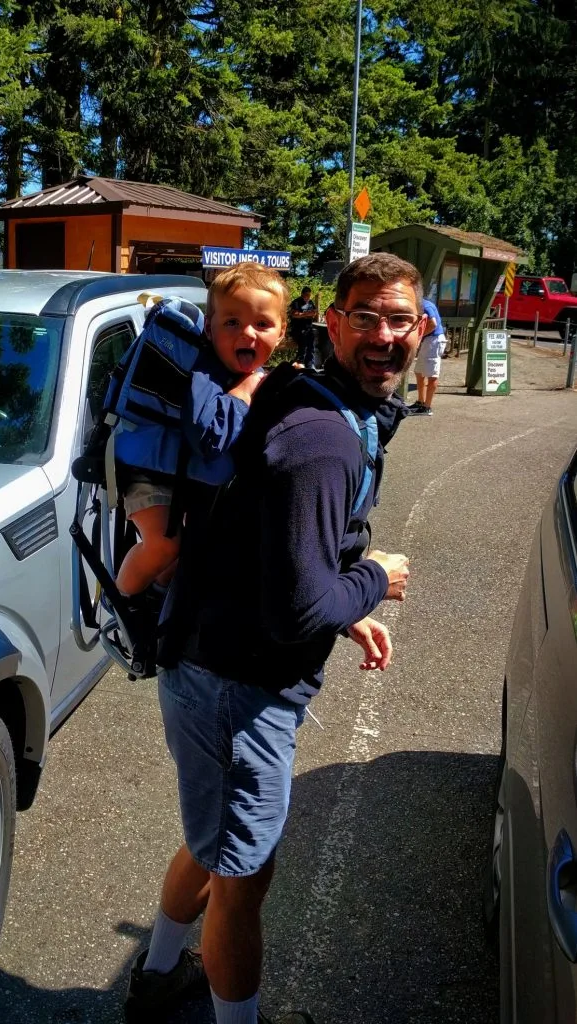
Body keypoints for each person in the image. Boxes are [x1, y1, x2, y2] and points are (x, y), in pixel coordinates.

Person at [124, 253, 426, 1024]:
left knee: (210, 837)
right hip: (236, 686)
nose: (384, 337)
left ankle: (158, 974)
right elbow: (297, 612)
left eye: (400, 320)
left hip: (208, 659)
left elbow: (272, 537)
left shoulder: (300, 391)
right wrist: (371, 581)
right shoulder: (325, 438)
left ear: (422, 330)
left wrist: (337, 594)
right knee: (242, 879)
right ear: (331, 324)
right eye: (366, 318)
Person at [114, 262, 288, 598]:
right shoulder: (205, 373)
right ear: (209, 329)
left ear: (281, 333)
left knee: (193, 548)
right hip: (148, 472)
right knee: (164, 546)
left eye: (262, 323)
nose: (247, 333)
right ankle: (120, 600)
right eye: (232, 323)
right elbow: (209, 438)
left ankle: (160, 595)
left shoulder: (257, 373)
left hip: (183, 476)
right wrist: (245, 391)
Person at [409, 297, 447, 416]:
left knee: (431, 375)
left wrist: (419, 337)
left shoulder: (425, 305)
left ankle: (427, 407)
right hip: (428, 341)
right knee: (419, 372)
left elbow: (433, 324)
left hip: (434, 340)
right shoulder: (419, 305)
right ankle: (420, 402)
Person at [289, 286, 317, 369]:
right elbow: (294, 314)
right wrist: (306, 314)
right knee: (303, 343)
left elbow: (314, 313)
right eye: (306, 295)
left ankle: (309, 364)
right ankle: (300, 363)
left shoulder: (310, 302)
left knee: (311, 344)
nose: (307, 297)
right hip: (298, 328)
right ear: (302, 294)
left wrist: (303, 314)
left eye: (309, 295)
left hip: (308, 328)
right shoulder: (296, 302)